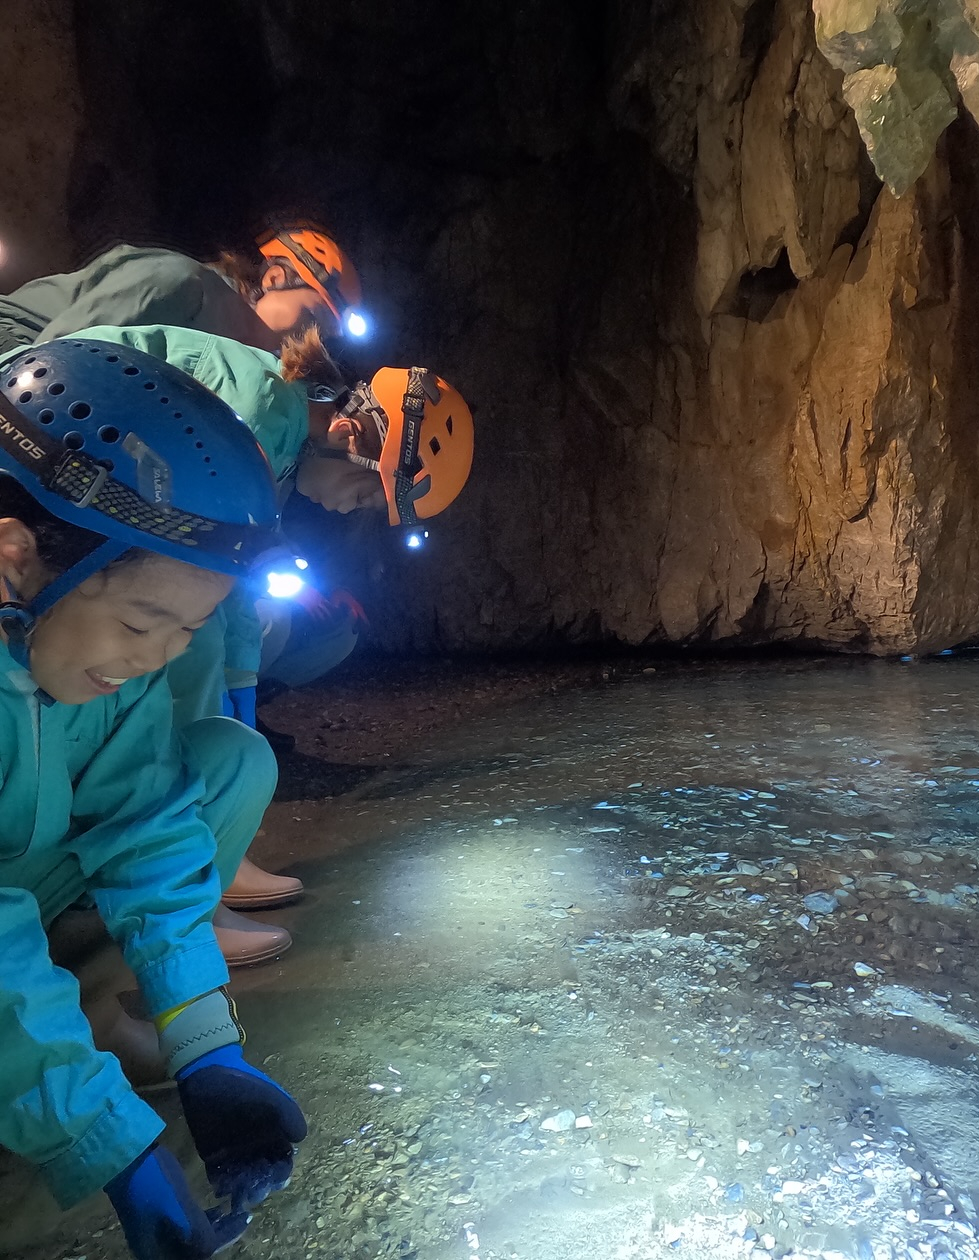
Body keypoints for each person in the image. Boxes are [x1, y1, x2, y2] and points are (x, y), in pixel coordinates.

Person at [0, 337, 306, 1259]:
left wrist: (205, 1043)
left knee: (215, 763)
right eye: (142, 622)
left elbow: (148, 829)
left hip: (24, 869)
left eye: (191, 629)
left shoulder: (95, 660)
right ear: (15, 554)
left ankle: (78, 1026)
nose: (162, 656)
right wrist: (109, 1143)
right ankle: (46, 1070)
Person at [43, 322, 474, 947]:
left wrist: (242, 695)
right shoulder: (257, 416)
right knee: (191, 648)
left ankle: (199, 863)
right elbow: (202, 580)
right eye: (366, 493)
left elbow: (237, 580)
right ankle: (179, 882)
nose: (355, 510)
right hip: (50, 494)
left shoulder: (278, 433)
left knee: (212, 649)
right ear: (350, 433)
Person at [0, 222, 365, 358]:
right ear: (275, 279)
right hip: (15, 343)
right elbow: (54, 358)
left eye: (327, 336)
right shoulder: (182, 282)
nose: (316, 339)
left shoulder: (232, 360)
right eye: (315, 315)